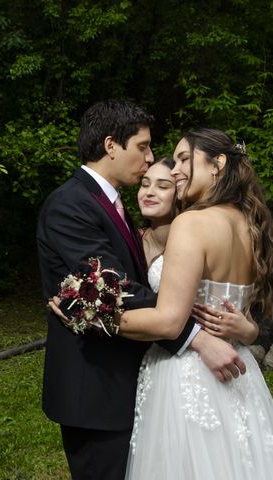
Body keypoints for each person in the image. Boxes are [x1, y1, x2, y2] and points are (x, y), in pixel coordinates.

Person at [36, 101, 246, 480]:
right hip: (94, 389)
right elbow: (119, 292)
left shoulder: (114, 204)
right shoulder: (70, 205)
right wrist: (197, 336)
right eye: (143, 147)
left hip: (125, 380)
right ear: (112, 145)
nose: (151, 159)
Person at [121, 128, 273, 479]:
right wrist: (248, 330)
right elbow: (245, 319)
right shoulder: (250, 225)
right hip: (239, 372)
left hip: (186, 373)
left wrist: (99, 314)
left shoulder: (191, 223)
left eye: (185, 159)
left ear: (218, 164)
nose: (175, 170)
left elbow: (169, 322)